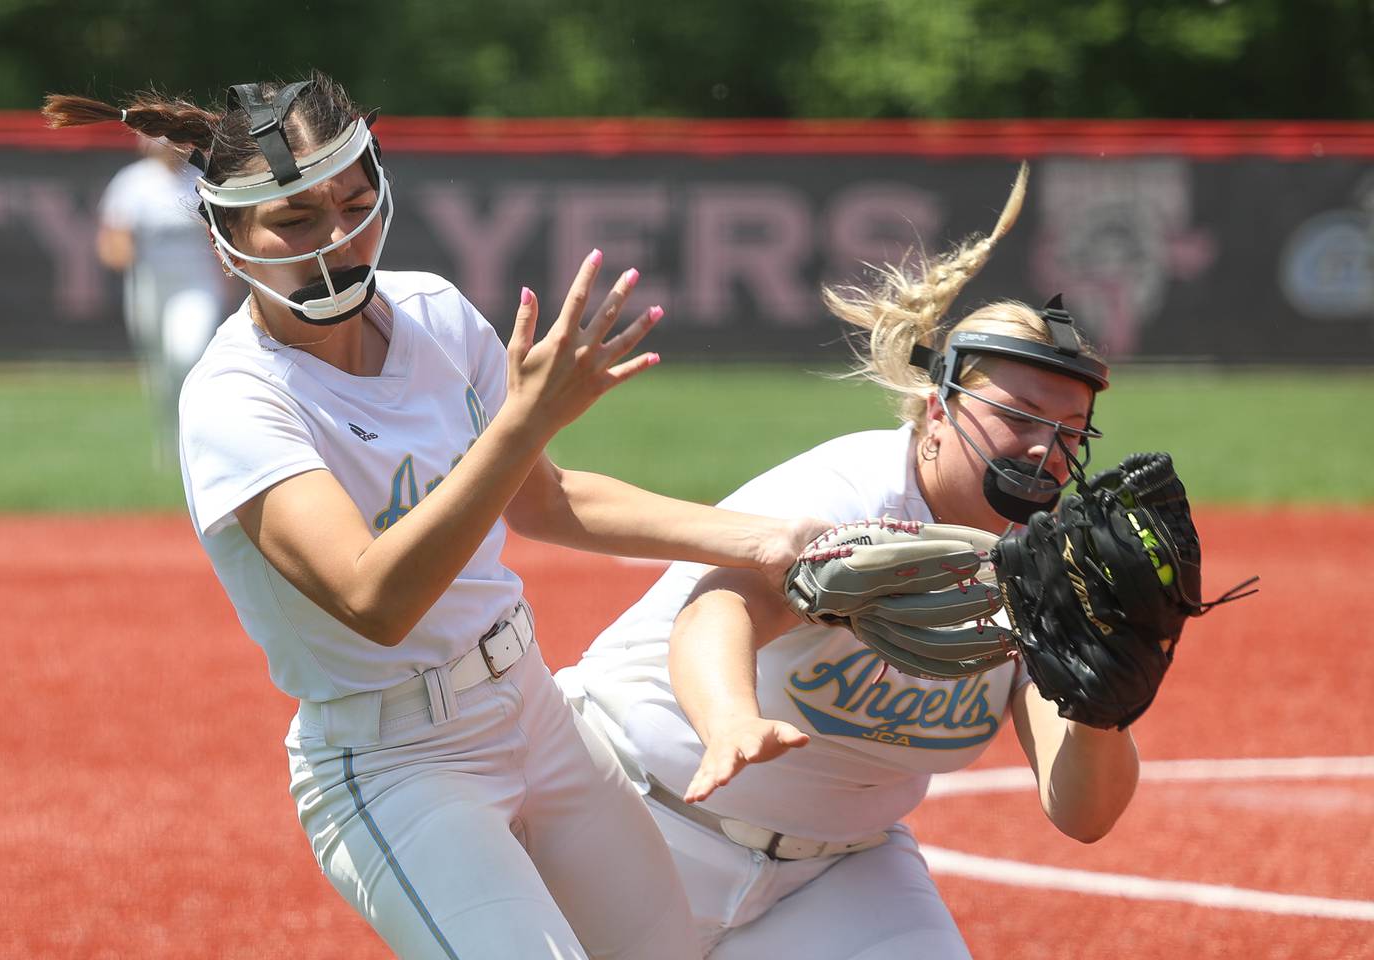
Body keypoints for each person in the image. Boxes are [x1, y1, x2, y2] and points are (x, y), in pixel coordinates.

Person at [43, 74, 827, 960]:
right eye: (294, 221)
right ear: (228, 239)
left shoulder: (430, 311)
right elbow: (375, 599)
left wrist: (771, 537)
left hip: (534, 704)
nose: (337, 238)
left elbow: (547, 497)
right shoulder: (234, 397)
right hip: (397, 764)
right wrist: (524, 421)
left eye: (355, 201)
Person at [560, 164, 1141, 959]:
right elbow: (716, 610)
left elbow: (1081, 814)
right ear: (939, 410)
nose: (1047, 447)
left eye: (1072, 427)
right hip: (629, 817)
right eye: (1020, 415)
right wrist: (729, 721)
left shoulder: (1047, 570)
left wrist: (1104, 708)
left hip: (835, 874)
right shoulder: (857, 494)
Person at [96, 132, 234, 466]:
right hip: (150, 287)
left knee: (186, 354)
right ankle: (170, 441)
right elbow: (112, 242)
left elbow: (226, 238)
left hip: (196, 286)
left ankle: (195, 438)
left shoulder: (201, 183)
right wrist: (125, 252)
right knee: (159, 370)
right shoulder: (132, 183)